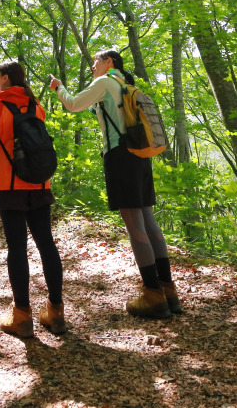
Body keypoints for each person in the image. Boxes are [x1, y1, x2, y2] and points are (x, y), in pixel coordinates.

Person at [49, 50, 181, 319]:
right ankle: (169, 292)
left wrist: (58, 87)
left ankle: (153, 295)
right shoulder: (127, 85)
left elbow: (73, 104)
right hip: (140, 156)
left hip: (120, 156)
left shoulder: (105, 83)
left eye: (96, 61)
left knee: (135, 226)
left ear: (109, 62)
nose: (93, 66)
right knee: (149, 222)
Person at [0, 60, 66, 338]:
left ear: (5, 78)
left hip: (9, 184)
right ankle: (55, 312)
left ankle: (22, 316)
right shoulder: (35, 105)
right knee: (46, 244)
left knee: (17, 248)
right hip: (40, 183)